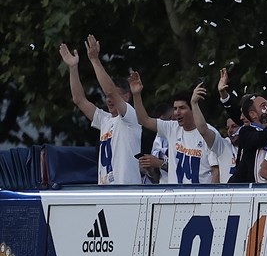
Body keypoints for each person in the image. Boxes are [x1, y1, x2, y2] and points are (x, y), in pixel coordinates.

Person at [58, 36, 142, 185]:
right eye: (106, 97)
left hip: (126, 191)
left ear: (126, 96)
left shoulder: (130, 116)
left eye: (116, 96)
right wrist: (73, 68)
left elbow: (110, 91)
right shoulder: (105, 120)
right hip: (105, 190)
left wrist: (95, 60)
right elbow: (79, 100)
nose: (109, 99)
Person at [131, 73, 223, 184]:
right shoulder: (171, 128)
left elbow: (216, 171)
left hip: (199, 198)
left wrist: (210, 199)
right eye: (175, 108)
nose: (177, 113)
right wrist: (136, 95)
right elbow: (143, 120)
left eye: (182, 108)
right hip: (175, 197)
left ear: (194, 109)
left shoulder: (209, 133)